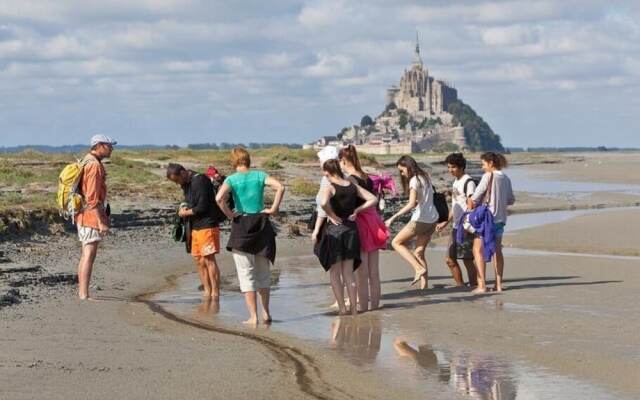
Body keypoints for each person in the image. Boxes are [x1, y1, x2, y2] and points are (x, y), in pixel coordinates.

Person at [216, 147, 285, 325]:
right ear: (248, 160)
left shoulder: (232, 179)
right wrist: (273, 209)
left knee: (246, 274)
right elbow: (280, 187)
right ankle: (266, 313)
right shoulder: (259, 175)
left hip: (242, 225)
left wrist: (230, 215)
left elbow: (219, 199)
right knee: (263, 274)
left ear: (234, 161)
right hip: (262, 223)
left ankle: (253, 316)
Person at [312, 158, 377, 316]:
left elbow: (323, 203)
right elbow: (373, 199)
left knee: (334, 273)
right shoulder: (351, 185)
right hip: (351, 230)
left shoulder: (329, 186)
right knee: (349, 273)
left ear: (327, 172)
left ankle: (342, 309)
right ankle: (354, 309)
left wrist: (331, 214)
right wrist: (357, 210)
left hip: (335, 231)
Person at [339, 145, 389, 311]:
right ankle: (374, 306)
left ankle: (364, 308)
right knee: (374, 272)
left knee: (362, 272)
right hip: (374, 220)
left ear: (343, 160)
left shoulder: (351, 179)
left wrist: (355, 210)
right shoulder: (366, 176)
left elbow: (364, 200)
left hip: (362, 222)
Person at [166, 163, 225, 299]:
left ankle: (215, 293)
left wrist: (186, 213)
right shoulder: (186, 184)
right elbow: (190, 202)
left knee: (209, 259)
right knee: (199, 260)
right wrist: (183, 208)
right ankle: (207, 291)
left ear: (183, 173)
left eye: (177, 180)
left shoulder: (201, 180)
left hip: (208, 224)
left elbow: (203, 206)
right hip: (194, 226)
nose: (177, 184)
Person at [385, 156, 438, 290]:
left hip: (420, 220)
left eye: (402, 171)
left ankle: (418, 268)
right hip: (432, 219)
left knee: (396, 242)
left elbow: (411, 203)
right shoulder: (425, 176)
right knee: (419, 252)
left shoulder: (414, 180)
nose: (402, 174)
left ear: (408, 167)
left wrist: (393, 217)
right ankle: (424, 286)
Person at [75, 134, 117, 300]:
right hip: (89, 216)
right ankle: (84, 294)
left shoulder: (87, 160)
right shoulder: (94, 166)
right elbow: (92, 198)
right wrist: (101, 222)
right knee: (89, 254)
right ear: (99, 145)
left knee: (86, 253)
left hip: (83, 214)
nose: (112, 148)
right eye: (109, 145)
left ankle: (82, 292)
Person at [467, 152, 515, 293]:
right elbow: (511, 200)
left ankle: (482, 285)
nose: (482, 167)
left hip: (487, 219)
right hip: (500, 219)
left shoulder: (488, 176)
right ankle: (498, 284)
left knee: (478, 250)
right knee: (497, 251)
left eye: (483, 164)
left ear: (490, 163)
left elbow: (475, 197)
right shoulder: (505, 178)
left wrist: (470, 203)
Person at [435, 153, 477, 287]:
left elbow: (471, 205)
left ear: (461, 167)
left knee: (467, 259)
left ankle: (474, 285)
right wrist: (445, 222)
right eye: (448, 167)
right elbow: (455, 206)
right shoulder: (456, 182)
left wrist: (466, 225)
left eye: (453, 167)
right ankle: (461, 286)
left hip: (465, 227)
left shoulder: (468, 182)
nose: (450, 170)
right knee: (450, 259)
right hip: (455, 226)